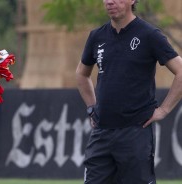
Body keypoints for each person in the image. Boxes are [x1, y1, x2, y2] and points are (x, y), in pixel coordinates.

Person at [76, 0, 182, 183]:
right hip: (101, 133)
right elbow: (81, 74)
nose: (110, 1)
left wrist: (164, 110)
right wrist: (91, 108)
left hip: (135, 133)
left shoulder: (150, 35)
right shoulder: (97, 36)